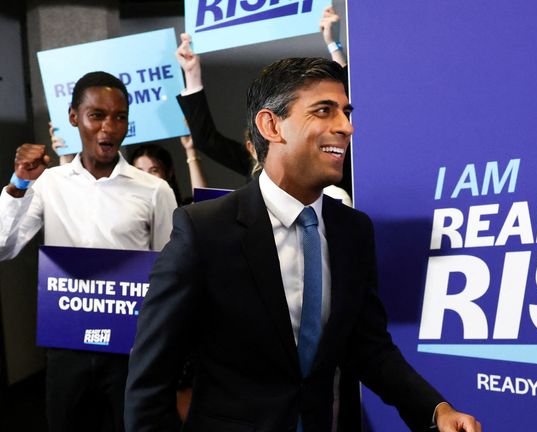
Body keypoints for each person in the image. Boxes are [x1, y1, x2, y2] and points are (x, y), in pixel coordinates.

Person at [125, 58, 480, 432]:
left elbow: (369, 348)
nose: (346, 127)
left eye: (345, 112)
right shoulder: (204, 229)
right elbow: (151, 375)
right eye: (324, 111)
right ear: (271, 125)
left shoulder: (354, 231)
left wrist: (436, 410)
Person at [0, 71, 176, 431]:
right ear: (73, 118)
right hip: (67, 346)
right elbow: (4, 247)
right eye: (97, 115)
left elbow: (169, 270)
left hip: (131, 350)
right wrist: (18, 185)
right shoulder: (48, 183)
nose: (109, 128)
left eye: (119, 116)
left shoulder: (154, 190)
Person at [174, 6, 354, 200]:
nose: (346, 127)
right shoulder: (254, 166)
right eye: (322, 110)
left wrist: (335, 46)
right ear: (267, 130)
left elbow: (344, 98)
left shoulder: (335, 161)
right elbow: (207, 140)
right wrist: (191, 74)